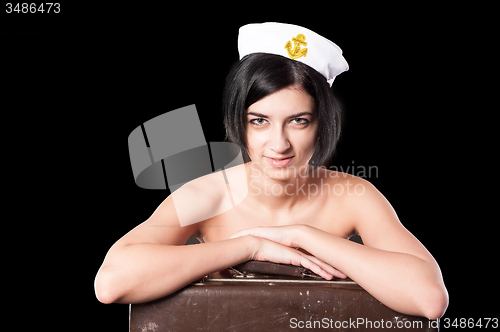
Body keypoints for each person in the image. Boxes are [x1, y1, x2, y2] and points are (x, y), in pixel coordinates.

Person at [95, 23, 448, 319]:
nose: (279, 144)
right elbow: (112, 283)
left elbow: (429, 299)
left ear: (321, 125)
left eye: (298, 121)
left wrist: (300, 235)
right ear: (240, 123)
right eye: (259, 121)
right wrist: (250, 246)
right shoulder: (207, 195)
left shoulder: (354, 196)